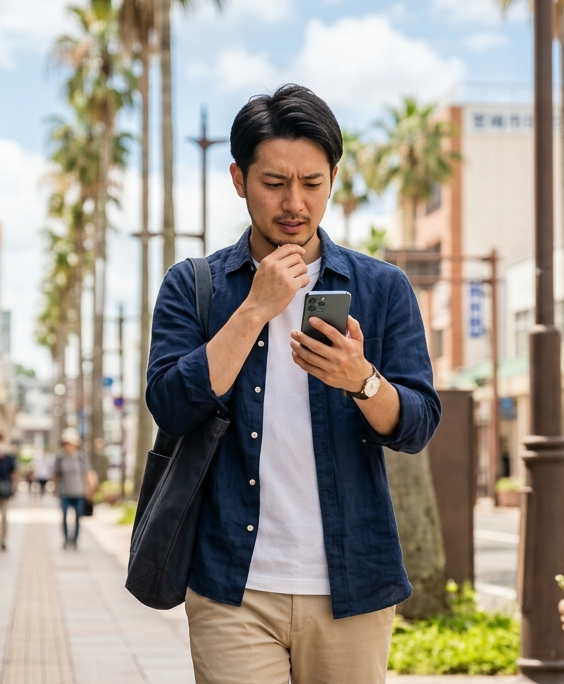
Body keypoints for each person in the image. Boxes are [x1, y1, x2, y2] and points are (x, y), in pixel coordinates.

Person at [145, 84, 440, 684]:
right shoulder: (194, 286)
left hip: (352, 581)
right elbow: (171, 406)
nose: (294, 204)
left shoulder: (381, 288)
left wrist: (362, 381)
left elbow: (416, 424)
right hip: (232, 584)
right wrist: (255, 309)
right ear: (238, 179)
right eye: (274, 183)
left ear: (333, 176)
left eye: (311, 183)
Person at [53, 428, 94, 550]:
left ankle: (75, 540)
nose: (68, 446)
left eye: (70, 443)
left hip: (79, 492)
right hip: (64, 492)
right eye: (65, 443)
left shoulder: (81, 457)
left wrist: (89, 489)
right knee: (64, 516)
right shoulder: (60, 457)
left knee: (77, 517)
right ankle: (66, 539)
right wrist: (54, 488)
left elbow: (86, 474)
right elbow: (56, 474)